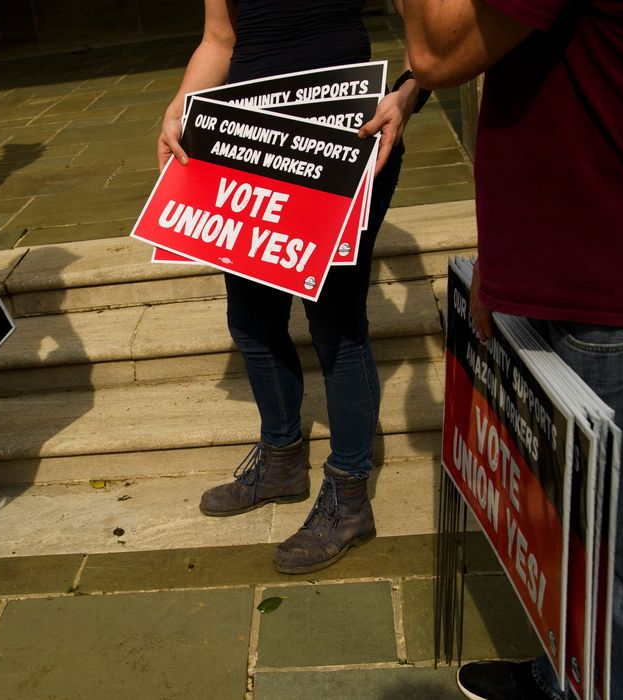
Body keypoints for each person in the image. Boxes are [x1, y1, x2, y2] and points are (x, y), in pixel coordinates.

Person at [401, 0, 623, 697]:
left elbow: (437, 50)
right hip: (607, 273)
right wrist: (509, 260)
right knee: (586, 544)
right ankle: (565, 678)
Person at [158, 0, 428, 574]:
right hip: (247, 142)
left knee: (336, 327)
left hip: (341, 138)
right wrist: (179, 106)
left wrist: (406, 93)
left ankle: (350, 499)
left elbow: (431, 29)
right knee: (251, 319)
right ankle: (282, 462)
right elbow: (218, 39)